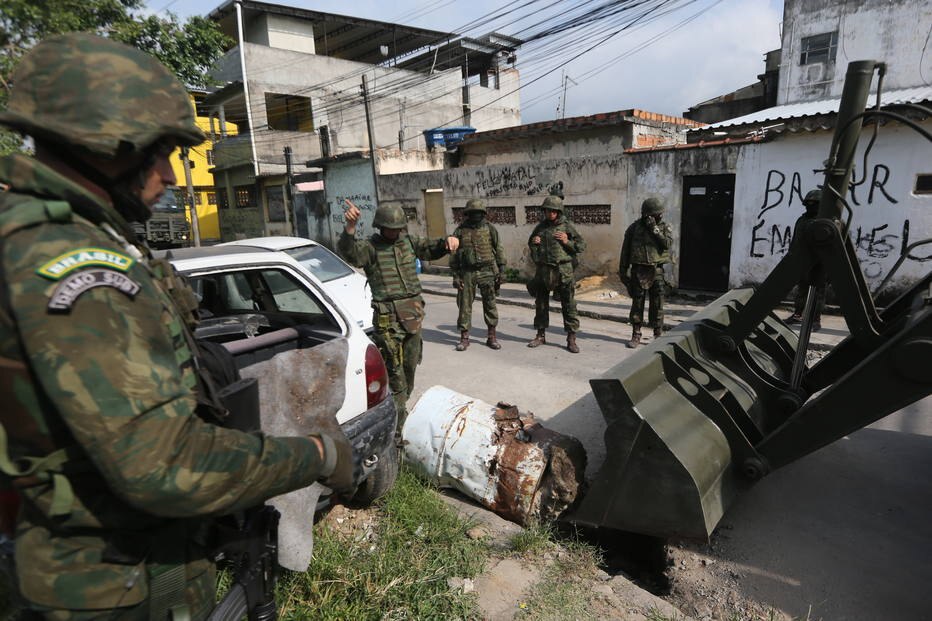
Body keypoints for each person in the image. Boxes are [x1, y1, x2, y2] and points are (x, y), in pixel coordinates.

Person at [0, 33, 357, 619]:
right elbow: (168, 466)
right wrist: (316, 454)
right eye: (160, 152)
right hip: (115, 585)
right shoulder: (76, 267)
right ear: (109, 141)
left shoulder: (57, 235)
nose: (169, 174)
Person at [338, 200, 459, 426]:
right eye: (390, 228)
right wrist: (350, 228)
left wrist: (448, 242)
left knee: (410, 369)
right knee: (395, 376)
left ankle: (397, 412)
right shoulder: (370, 247)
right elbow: (350, 254)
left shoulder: (409, 242)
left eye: (398, 228)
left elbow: (431, 247)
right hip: (388, 320)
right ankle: (397, 429)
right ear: (380, 226)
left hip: (413, 316)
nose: (394, 232)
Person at [526, 195, 586, 353]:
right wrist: (534, 244)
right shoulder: (540, 227)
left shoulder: (567, 227)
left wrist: (567, 241)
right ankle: (540, 335)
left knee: (568, 305)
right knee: (541, 304)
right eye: (547, 210)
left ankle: (571, 338)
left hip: (563, 271)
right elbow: (532, 245)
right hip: (544, 271)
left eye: (553, 211)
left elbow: (581, 246)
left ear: (559, 212)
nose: (550, 213)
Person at [450, 199, 507, 351]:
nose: (475, 216)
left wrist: (502, 270)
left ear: (483, 214)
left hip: (487, 270)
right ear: (468, 214)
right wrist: (455, 276)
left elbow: (499, 248)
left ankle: (492, 336)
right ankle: (464, 337)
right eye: (472, 213)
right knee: (464, 305)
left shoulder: (490, 229)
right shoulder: (460, 231)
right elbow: (454, 254)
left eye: (478, 213)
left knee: (490, 303)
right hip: (467, 272)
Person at [619, 197, 673, 348]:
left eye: (660, 214)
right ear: (647, 215)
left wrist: (654, 229)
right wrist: (623, 271)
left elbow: (667, 244)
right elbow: (625, 251)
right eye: (656, 214)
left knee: (657, 303)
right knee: (637, 303)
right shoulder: (634, 228)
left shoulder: (664, 227)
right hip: (638, 270)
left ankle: (657, 333)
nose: (660, 216)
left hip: (656, 271)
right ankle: (636, 333)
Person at [785, 188, 826, 330]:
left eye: (814, 203)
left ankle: (815, 319)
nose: (810, 205)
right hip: (801, 262)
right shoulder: (802, 220)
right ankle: (798, 314)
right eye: (808, 202)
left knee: (817, 293)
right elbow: (795, 240)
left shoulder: (823, 223)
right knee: (802, 290)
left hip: (819, 264)